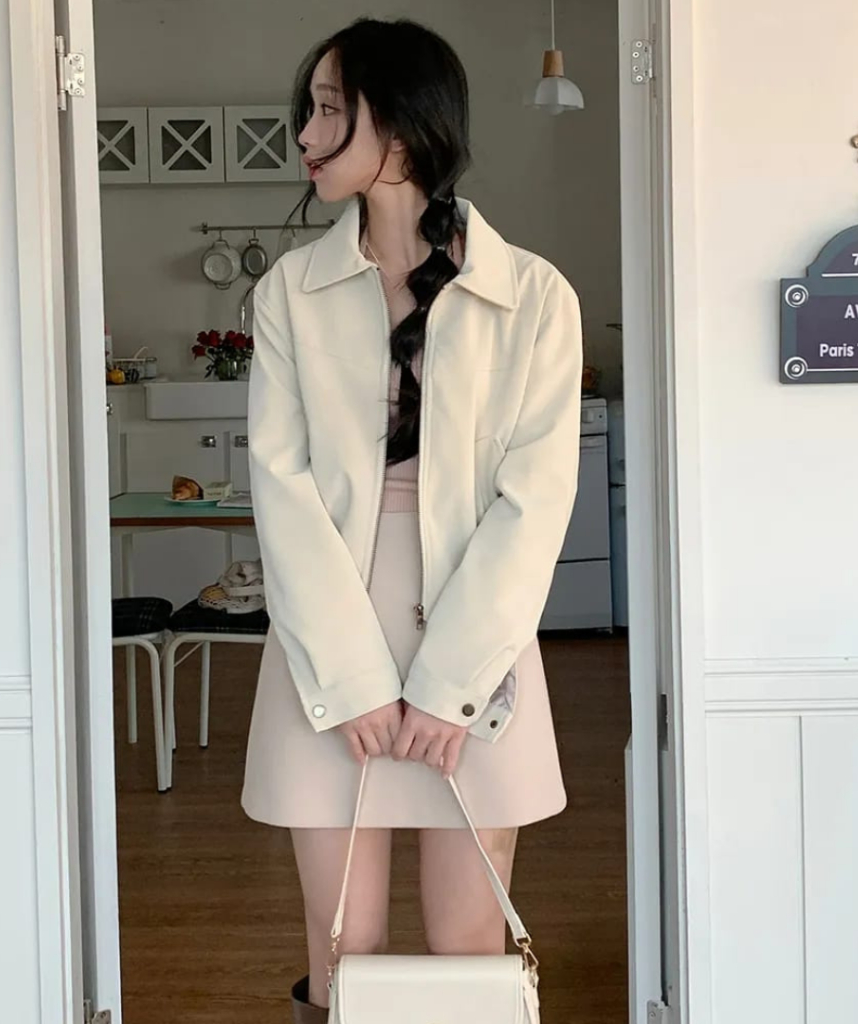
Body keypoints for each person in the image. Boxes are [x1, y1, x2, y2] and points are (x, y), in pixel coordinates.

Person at [239, 16, 583, 1022]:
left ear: (399, 125)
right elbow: (282, 490)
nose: (306, 134)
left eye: (329, 110)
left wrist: (450, 688)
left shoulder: (533, 297)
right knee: (341, 947)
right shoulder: (289, 293)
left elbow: (533, 505)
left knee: (469, 945)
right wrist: (351, 681)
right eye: (310, 110)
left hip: (475, 636)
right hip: (326, 639)